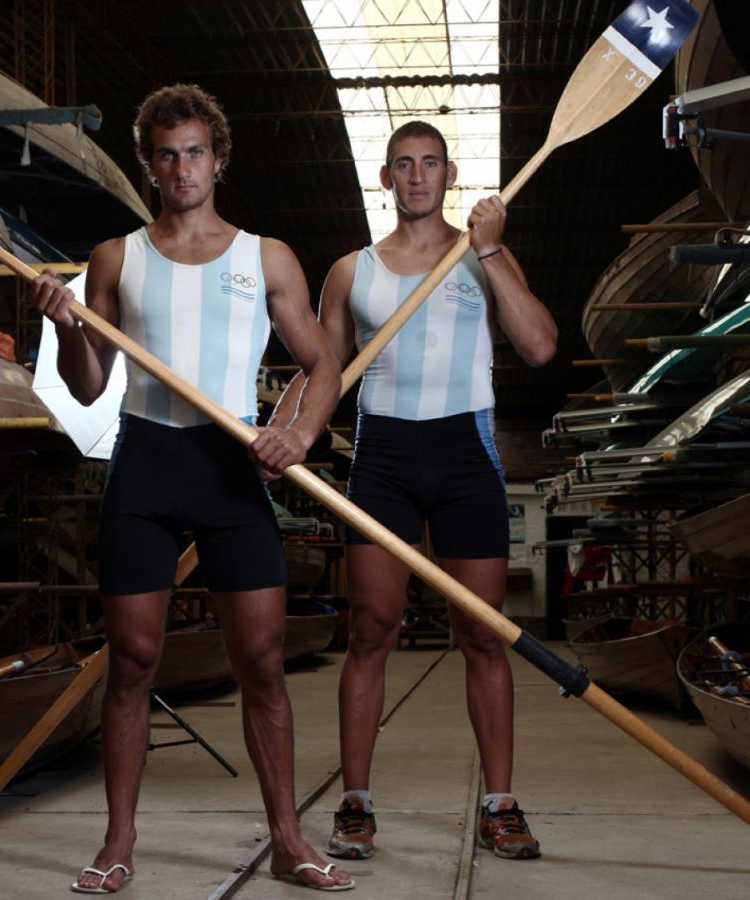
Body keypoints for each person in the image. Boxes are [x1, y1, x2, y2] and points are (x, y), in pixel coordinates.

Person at [32, 84, 353, 893]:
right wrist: (68, 328)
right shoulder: (116, 257)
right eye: (168, 154)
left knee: (263, 662)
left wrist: (299, 433)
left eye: (196, 152)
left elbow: (324, 364)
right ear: (150, 163)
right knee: (133, 661)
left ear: (218, 159)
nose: (183, 168)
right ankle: (116, 846)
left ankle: (287, 839)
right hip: (144, 460)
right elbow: (85, 384)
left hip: (230, 464)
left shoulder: (266, 256)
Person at [272, 121, 557, 862]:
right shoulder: (350, 271)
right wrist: (281, 432)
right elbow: (320, 371)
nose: (419, 176)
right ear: (387, 178)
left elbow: (539, 345)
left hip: (467, 451)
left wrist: (491, 248)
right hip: (384, 456)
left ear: (451, 173)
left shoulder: (478, 259)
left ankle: (500, 804)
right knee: (370, 629)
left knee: (484, 633)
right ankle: (356, 801)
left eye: (431, 163)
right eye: (405, 164)